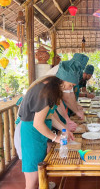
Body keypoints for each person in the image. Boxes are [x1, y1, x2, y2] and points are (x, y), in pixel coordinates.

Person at [14, 60, 80, 189]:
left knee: (41, 164)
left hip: (38, 131)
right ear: (63, 80)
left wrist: (64, 128)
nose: (70, 88)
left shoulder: (52, 86)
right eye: (70, 85)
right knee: (32, 176)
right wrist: (56, 138)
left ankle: (42, 184)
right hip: (31, 133)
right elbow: (38, 123)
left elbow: (49, 115)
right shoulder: (46, 91)